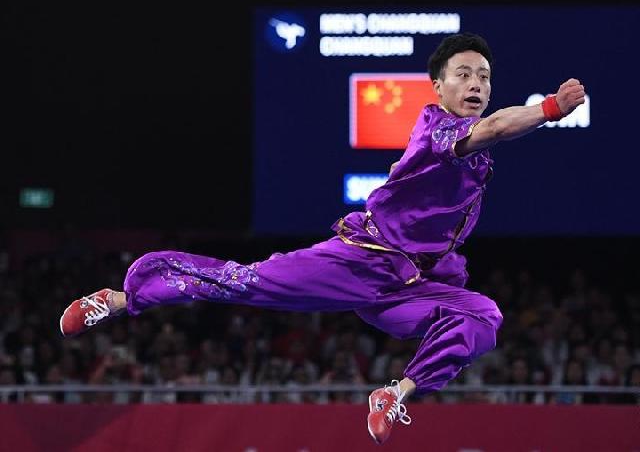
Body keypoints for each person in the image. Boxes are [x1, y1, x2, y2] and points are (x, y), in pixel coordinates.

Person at [59, 32, 586, 445]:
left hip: (406, 286)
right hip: (359, 261)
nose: (476, 84)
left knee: (484, 316)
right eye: (464, 74)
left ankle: (395, 394)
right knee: (246, 282)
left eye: (484, 77)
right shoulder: (439, 127)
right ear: (438, 87)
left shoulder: (476, 156)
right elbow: (495, 127)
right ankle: (123, 298)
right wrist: (549, 109)